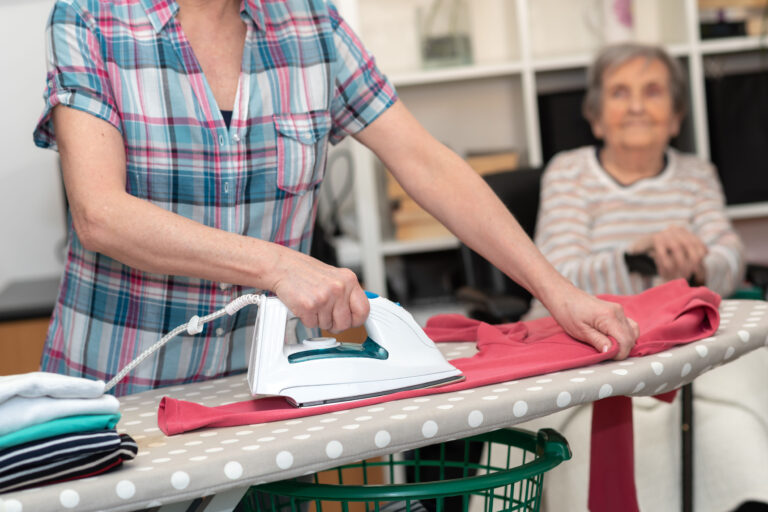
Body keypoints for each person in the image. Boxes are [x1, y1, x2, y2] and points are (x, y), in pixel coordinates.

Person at [33, 0, 637, 398]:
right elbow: (100, 215)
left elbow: (425, 163)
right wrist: (279, 265)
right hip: (112, 390)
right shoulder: (93, 19)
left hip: (257, 392)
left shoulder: (311, 25)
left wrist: (555, 291)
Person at [520, 42, 768, 512]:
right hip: (586, 346)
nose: (636, 105)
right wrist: (637, 256)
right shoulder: (569, 173)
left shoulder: (696, 175)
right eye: (619, 93)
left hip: (681, 347)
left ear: (675, 118)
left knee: (736, 419)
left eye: (652, 91)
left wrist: (694, 269)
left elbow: (730, 260)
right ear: (596, 117)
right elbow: (557, 276)